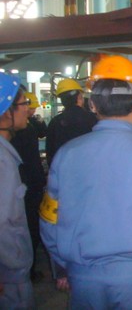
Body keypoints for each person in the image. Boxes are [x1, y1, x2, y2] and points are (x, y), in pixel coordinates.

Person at [40, 55, 132, 309]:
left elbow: (49, 219)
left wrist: (66, 265)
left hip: (83, 275)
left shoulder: (66, 155)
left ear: (93, 104)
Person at [0, 72, 35, 309]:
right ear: (6, 112)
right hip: (8, 275)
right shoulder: (2, 161)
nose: (28, 109)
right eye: (24, 103)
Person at [11, 91, 48, 283]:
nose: (28, 110)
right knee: (31, 227)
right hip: (30, 189)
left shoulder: (24, 131)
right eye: (24, 105)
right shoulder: (26, 132)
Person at [46, 78, 97, 165]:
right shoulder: (93, 119)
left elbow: (50, 154)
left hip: (63, 170)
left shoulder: (54, 122)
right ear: (79, 98)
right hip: (89, 168)